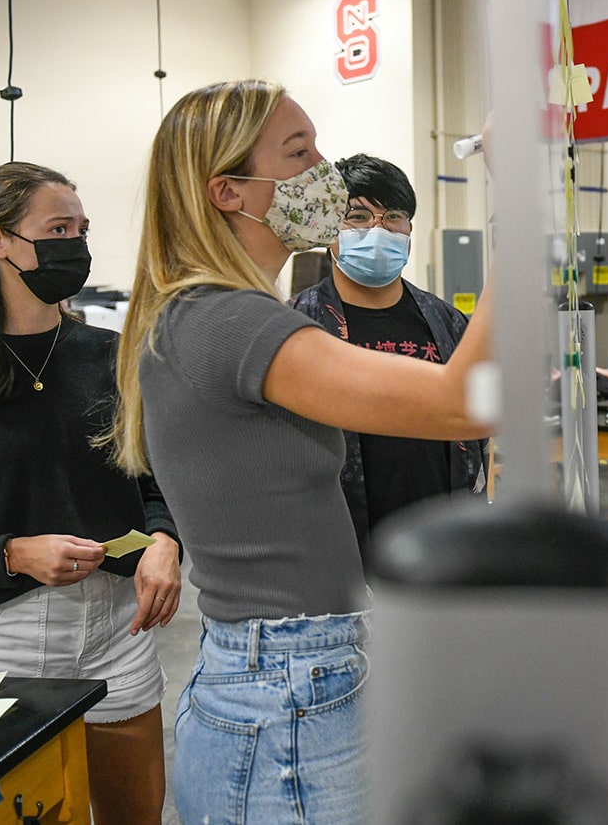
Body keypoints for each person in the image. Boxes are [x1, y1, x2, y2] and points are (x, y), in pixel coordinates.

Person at [109, 80, 492, 824]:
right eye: (300, 152)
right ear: (228, 191)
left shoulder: (212, 311)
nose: (327, 172)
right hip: (283, 684)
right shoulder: (232, 321)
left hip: (288, 670)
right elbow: (459, 402)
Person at [0, 162, 182, 825]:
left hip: (121, 627)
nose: (75, 245)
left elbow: (158, 482)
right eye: (57, 228)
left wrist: (166, 541)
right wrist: (10, 554)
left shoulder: (116, 357)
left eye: (81, 230)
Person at [290, 153, 487, 559]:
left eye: (393, 216)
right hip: (339, 548)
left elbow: (473, 423)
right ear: (331, 228)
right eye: (358, 217)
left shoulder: (446, 321)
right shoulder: (297, 323)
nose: (377, 229)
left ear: (409, 229)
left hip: (442, 543)